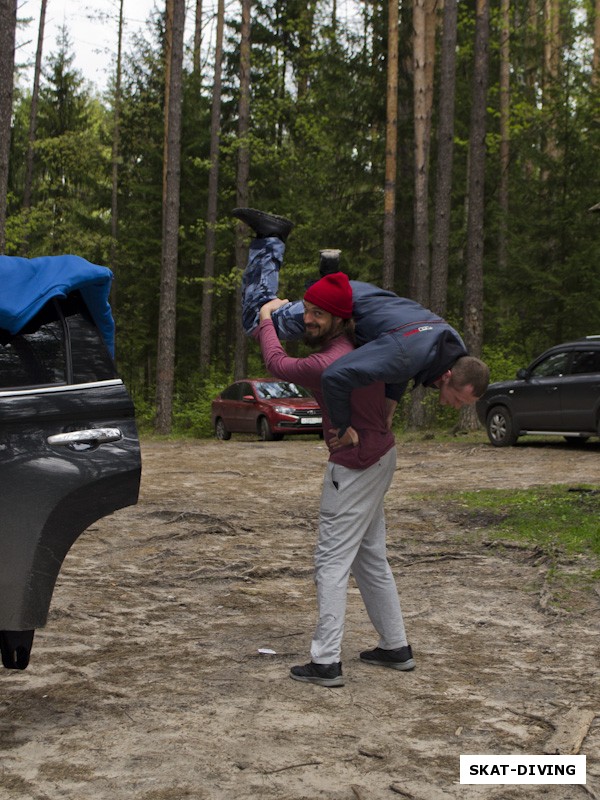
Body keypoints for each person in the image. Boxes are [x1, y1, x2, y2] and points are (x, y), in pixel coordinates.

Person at [237, 209, 414, 688]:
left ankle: (325, 661)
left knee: (330, 562)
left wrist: (270, 320)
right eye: (307, 312)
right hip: (381, 455)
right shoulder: (364, 340)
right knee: (369, 556)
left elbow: (276, 362)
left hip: (354, 464)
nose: (310, 319)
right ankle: (395, 646)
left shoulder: (327, 361)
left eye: (318, 314)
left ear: (339, 319)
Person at [235, 207, 490, 449]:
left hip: (361, 296)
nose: (457, 406)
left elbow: (403, 365)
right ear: (447, 376)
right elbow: (336, 374)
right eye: (459, 399)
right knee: (254, 318)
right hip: (337, 306)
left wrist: (389, 407)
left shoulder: (450, 345)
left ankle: (328, 271)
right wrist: (343, 426)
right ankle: (271, 236)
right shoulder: (409, 355)